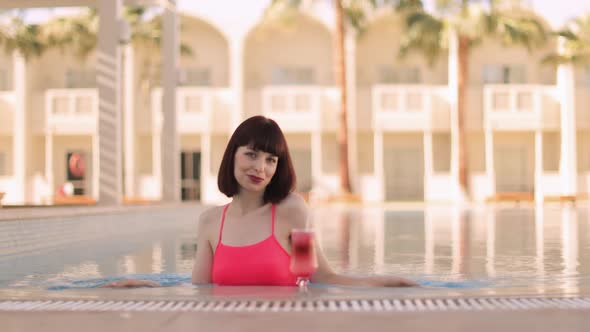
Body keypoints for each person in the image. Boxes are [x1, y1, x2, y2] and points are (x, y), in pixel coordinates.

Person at [104, 115, 418, 288]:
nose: (260, 168)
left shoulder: (292, 212)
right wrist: (145, 286)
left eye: (271, 159)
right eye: (251, 154)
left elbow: (321, 276)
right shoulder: (211, 222)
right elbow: (199, 289)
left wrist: (384, 282)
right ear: (233, 155)